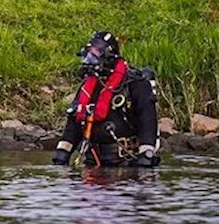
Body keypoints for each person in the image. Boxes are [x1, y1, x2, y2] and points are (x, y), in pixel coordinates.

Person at [51, 31, 160, 168]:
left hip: (125, 162)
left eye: (95, 53)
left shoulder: (134, 84)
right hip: (93, 161)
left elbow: (147, 120)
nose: (90, 59)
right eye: (89, 53)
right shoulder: (88, 87)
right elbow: (75, 121)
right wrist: (62, 153)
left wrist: (146, 154)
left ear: (109, 56)